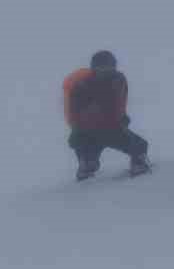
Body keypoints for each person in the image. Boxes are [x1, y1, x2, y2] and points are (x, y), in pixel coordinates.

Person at [62, 50, 150, 181]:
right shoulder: (115, 80)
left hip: (84, 133)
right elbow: (115, 108)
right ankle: (138, 164)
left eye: (108, 67)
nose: (105, 70)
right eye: (103, 67)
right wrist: (121, 121)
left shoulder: (82, 84)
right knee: (140, 145)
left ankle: (87, 164)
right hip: (106, 130)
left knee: (86, 146)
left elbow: (76, 115)